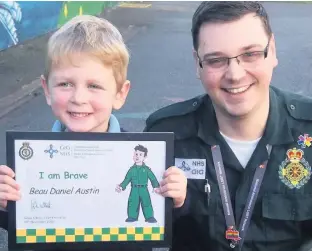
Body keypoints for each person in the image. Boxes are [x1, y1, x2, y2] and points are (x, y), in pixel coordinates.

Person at [0, 15, 187, 250]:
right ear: (46, 90)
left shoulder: (141, 154)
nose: (79, 98)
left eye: (94, 86)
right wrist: (8, 207)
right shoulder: (30, 163)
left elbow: (168, 226)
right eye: (65, 84)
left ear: (120, 93)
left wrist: (176, 201)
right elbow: (26, 227)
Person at [144, 1, 312, 251]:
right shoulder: (165, 136)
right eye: (216, 60)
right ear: (197, 64)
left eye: (250, 54)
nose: (235, 74)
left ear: (272, 51)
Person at [116, 144, 160, 223]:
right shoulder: (131, 170)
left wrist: (156, 186)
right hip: (134, 189)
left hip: (144, 189)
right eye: (136, 154)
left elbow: (153, 178)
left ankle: (149, 217)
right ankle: (132, 217)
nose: (137, 156)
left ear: (144, 157)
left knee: (146, 202)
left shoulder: (146, 169)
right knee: (133, 203)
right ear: (133, 156)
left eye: (140, 155)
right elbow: (126, 180)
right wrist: (121, 187)